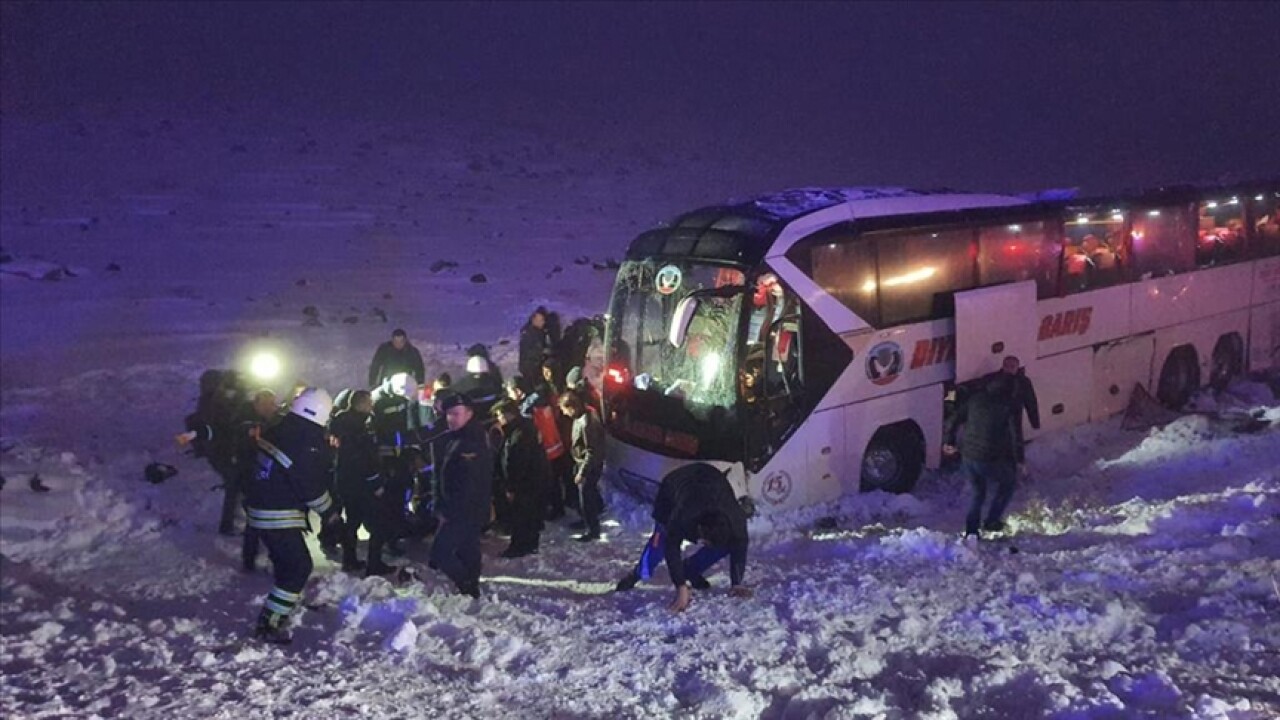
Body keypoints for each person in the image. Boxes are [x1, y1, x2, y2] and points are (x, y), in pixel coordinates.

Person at [242, 387, 341, 644]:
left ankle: (285, 603)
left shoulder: (281, 429)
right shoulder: (304, 442)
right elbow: (310, 487)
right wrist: (330, 512)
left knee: (286, 565)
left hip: (261, 508)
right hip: (277, 514)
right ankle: (269, 623)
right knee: (299, 567)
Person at [614, 463, 752, 613]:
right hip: (672, 491)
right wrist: (681, 586)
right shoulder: (683, 514)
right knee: (660, 540)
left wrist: (737, 583)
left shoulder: (736, 518)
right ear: (700, 530)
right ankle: (638, 573)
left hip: (711, 482)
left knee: (726, 546)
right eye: (705, 542)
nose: (703, 544)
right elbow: (671, 546)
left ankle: (691, 569)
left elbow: (740, 543)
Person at [943, 368, 1023, 539]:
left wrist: (949, 441)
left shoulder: (975, 400)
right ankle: (992, 521)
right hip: (989, 457)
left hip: (968, 457)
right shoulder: (1008, 406)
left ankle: (972, 531)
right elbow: (1016, 435)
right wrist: (1019, 460)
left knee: (978, 493)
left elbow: (954, 420)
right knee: (1008, 483)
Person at [430, 391, 495, 598]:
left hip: (463, 510)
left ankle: (466, 584)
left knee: (440, 553)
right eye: (449, 414)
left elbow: (471, 483)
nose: (451, 418)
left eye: (456, 414)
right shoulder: (455, 437)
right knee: (468, 548)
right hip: (460, 509)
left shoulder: (471, 441)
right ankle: (471, 586)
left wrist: (449, 511)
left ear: (469, 414)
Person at [329, 390, 392, 575]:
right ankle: (374, 564)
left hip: (345, 481)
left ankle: (349, 560)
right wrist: (376, 483)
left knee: (353, 521)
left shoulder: (340, 423)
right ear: (360, 404)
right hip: (362, 484)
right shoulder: (358, 427)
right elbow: (364, 458)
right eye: (369, 402)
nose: (371, 405)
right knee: (379, 524)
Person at [492, 399, 549, 558]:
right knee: (529, 515)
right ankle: (530, 544)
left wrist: (511, 487)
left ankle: (519, 546)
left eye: (500, 415)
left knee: (520, 516)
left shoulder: (519, 434)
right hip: (532, 482)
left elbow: (516, 463)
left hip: (524, 485)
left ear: (509, 415)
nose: (499, 419)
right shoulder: (524, 428)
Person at [371, 373, 419, 553]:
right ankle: (390, 538)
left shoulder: (397, 398)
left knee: (402, 492)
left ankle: (398, 530)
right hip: (386, 460)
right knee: (390, 500)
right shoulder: (378, 401)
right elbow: (381, 433)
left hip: (399, 456)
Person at [560, 390, 605, 541]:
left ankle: (593, 530)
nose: (564, 414)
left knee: (586, 498)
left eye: (565, 410)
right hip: (581, 463)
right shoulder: (582, 417)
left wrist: (582, 472)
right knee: (585, 497)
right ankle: (586, 520)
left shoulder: (586, 423)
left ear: (572, 408)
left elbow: (591, 451)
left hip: (588, 466)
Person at [1000, 355, 1041, 477]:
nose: (1009, 369)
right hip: (999, 416)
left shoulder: (1023, 382)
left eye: (1012, 366)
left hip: (1014, 414)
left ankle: (1019, 465)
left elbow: (1031, 402)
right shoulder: (996, 380)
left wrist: (1035, 421)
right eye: (1007, 366)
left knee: (1016, 439)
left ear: (1017, 367)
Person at [518, 307, 552, 382]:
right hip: (529, 367)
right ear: (534, 319)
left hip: (538, 365)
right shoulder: (527, 333)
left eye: (543, 320)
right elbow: (527, 351)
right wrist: (542, 351)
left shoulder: (541, 332)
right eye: (540, 320)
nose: (542, 322)